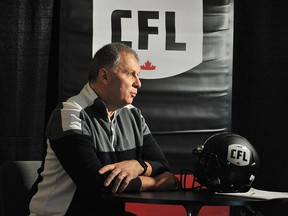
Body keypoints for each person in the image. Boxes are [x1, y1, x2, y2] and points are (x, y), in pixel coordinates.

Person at [28, 42, 179, 216]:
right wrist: (156, 183)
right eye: (131, 74)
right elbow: (97, 182)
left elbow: (163, 167)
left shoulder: (134, 116)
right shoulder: (70, 113)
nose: (138, 83)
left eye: (138, 75)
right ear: (104, 76)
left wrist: (138, 165)